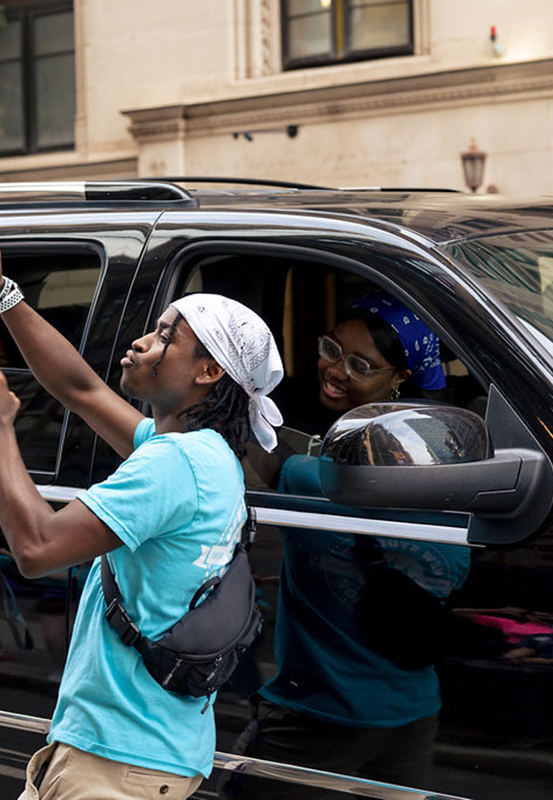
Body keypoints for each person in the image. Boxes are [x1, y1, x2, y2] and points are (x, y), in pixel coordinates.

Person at [0, 242, 283, 800]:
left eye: (164, 336)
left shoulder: (173, 463)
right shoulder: (205, 454)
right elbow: (80, 390)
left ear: (208, 372)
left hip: (118, 764)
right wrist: (3, 296)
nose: (141, 341)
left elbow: (36, 548)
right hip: (144, 753)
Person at [227, 290, 469, 798]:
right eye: (331, 349)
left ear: (400, 379)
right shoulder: (456, 467)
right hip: (414, 714)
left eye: (359, 363)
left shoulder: (310, 478)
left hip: (316, 715)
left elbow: (262, 462)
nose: (334, 369)